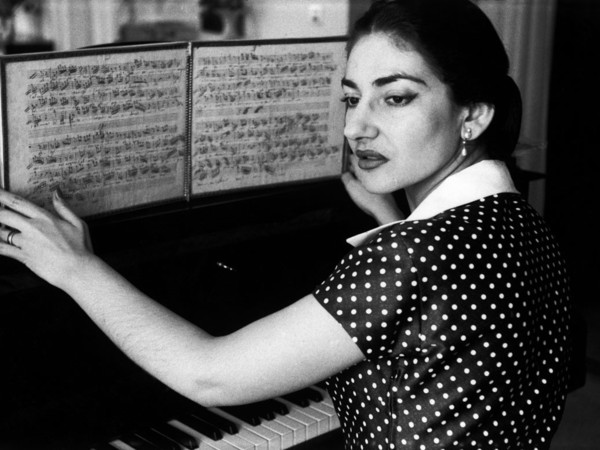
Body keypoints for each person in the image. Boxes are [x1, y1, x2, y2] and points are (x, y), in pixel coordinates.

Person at [0, 0, 572, 448]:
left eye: (395, 98)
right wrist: (397, 220)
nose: (355, 129)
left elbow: (210, 378)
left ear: (472, 114)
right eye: (351, 99)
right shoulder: (518, 222)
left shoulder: (413, 255)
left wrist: (76, 267)